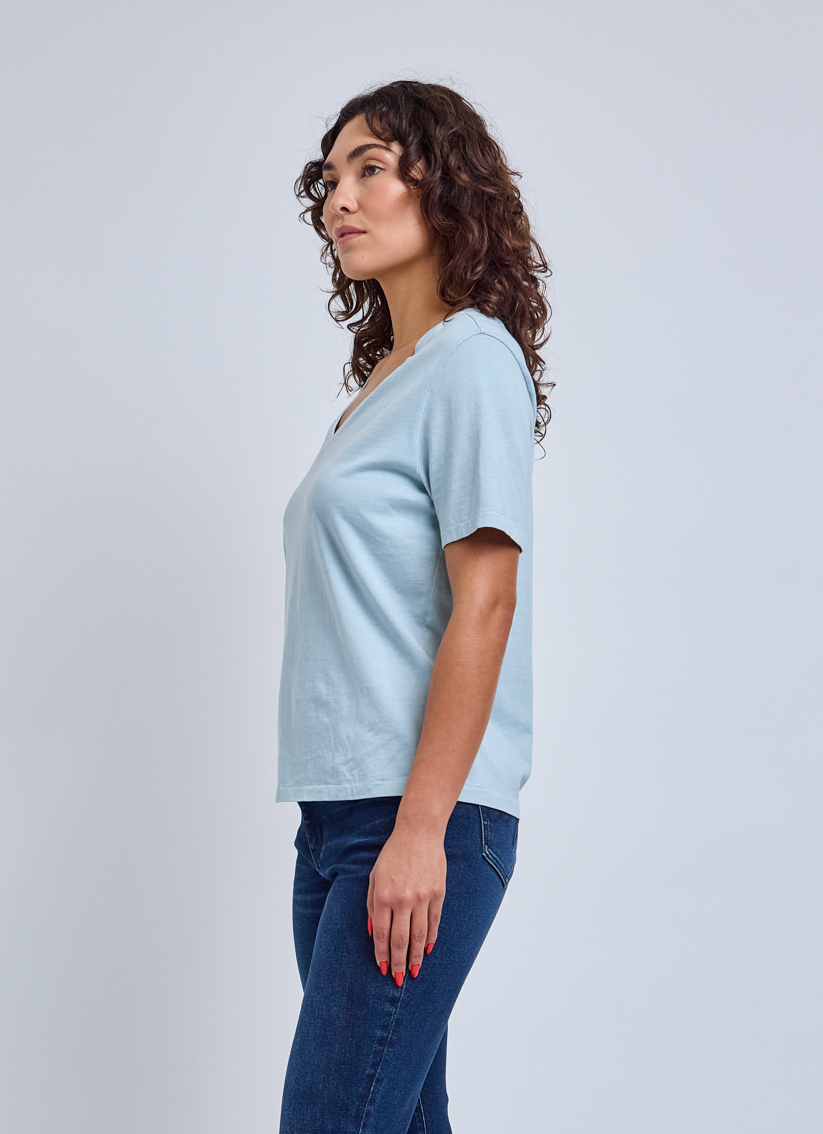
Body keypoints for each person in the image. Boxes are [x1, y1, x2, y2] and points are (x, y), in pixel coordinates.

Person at [276, 79, 554, 1134]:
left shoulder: (470, 358)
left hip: (414, 814)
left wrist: (420, 829)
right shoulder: (389, 383)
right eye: (329, 179)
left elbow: (486, 599)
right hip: (336, 820)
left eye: (371, 169)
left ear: (445, 187)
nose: (339, 199)